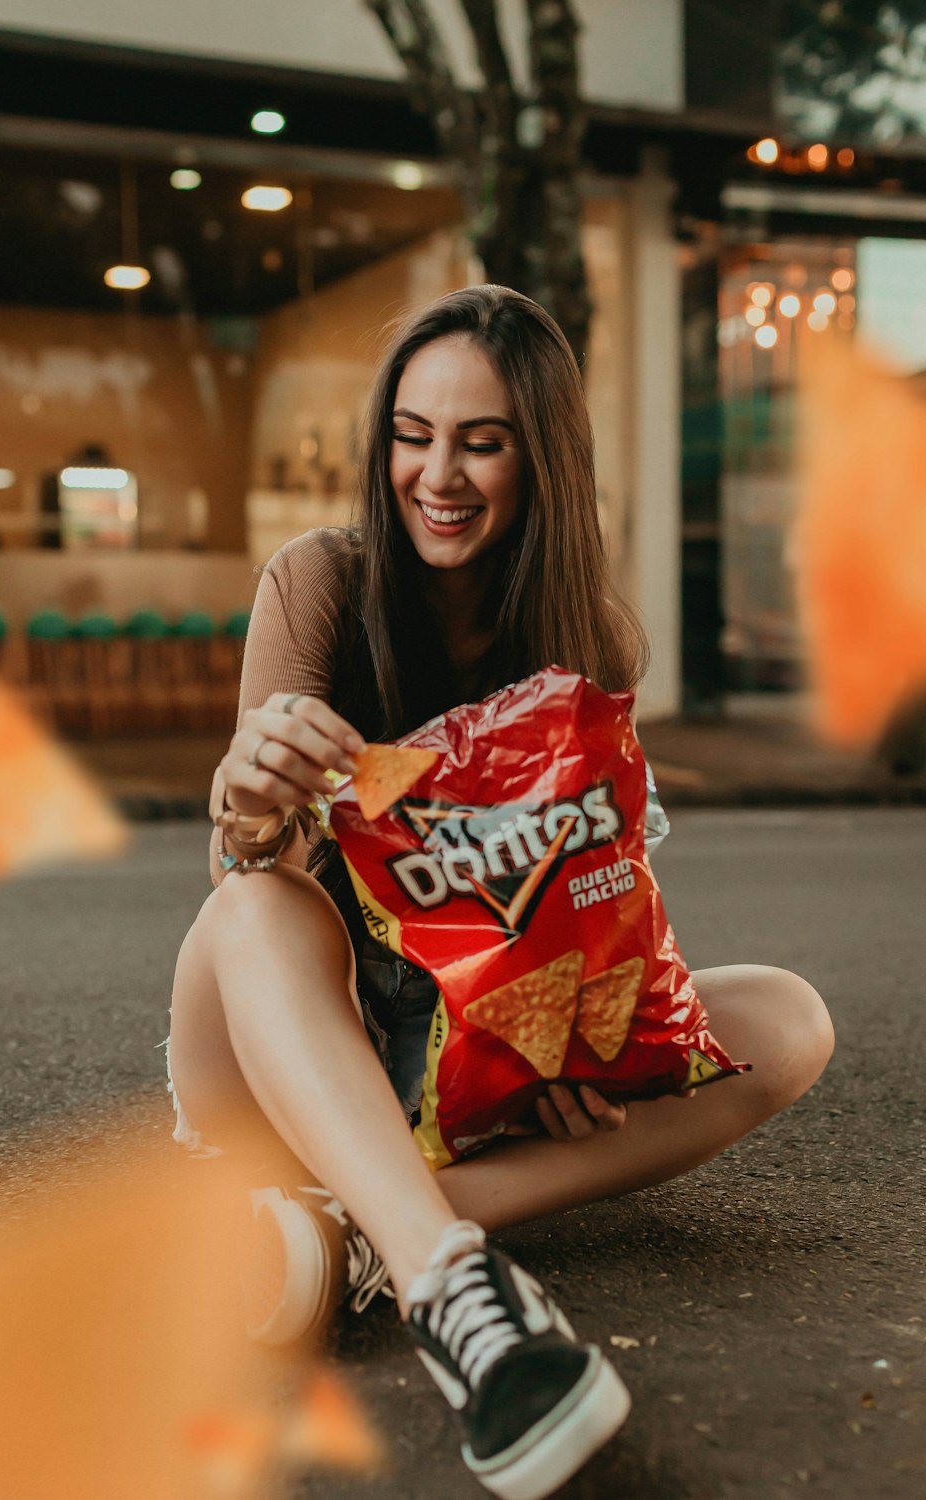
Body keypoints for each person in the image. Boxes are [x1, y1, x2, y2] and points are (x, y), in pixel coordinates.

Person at [166, 285, 834, 1500]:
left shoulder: (587, 640)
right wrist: (246, 795)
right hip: (288, 1059)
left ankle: (342, 1236)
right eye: (413, 436)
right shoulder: (318, 583)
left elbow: (595, 896)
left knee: (788, 1021)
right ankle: (450, 1290)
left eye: (481, 441)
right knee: (262, 909)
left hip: (474, 1071)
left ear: (543, 455)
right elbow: (237, 877)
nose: (440, 475)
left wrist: (581, 1034)